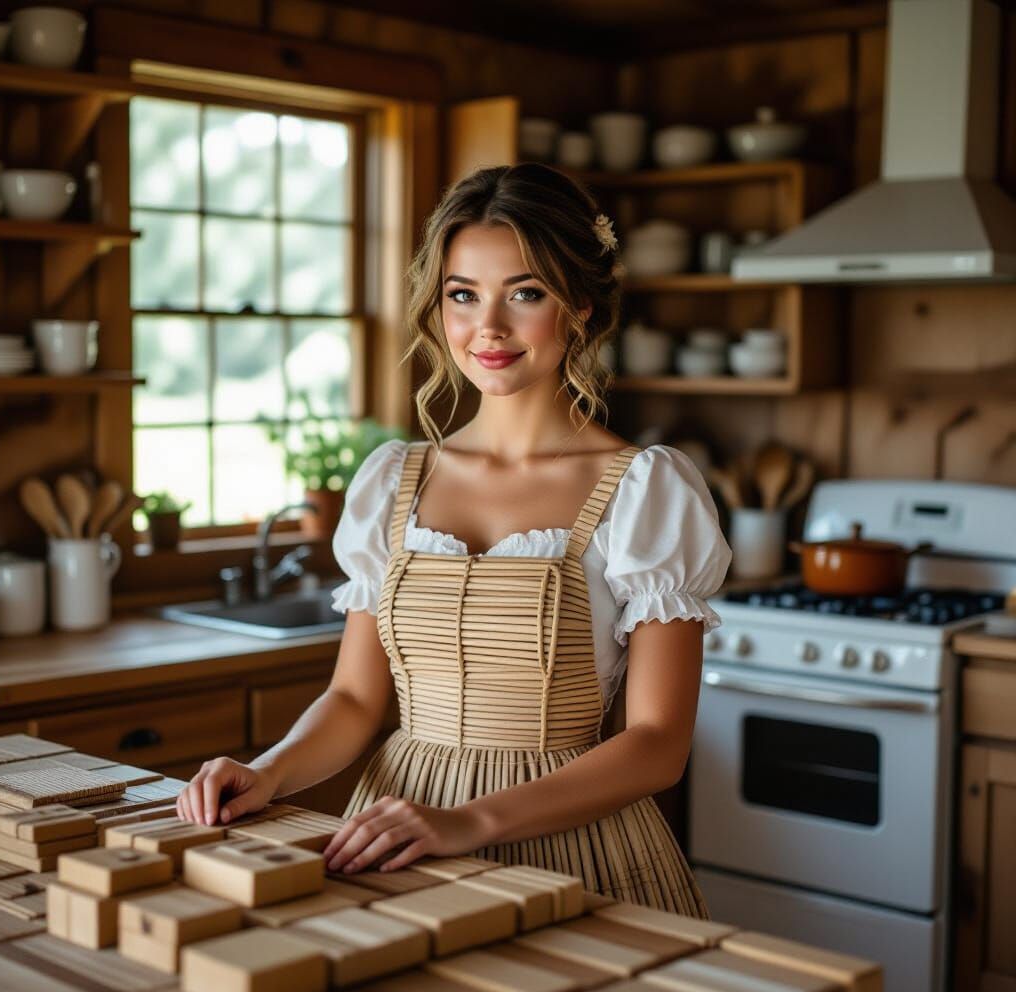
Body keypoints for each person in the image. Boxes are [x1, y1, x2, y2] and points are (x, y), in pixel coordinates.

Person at [176, 162, 731, 915]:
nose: (488, 329)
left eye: (525, 294)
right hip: (399, 832)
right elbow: (352, 698)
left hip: (572, 847)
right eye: (462, 295)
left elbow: (659, 743)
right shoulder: (390, 482)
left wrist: (467, 822)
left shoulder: (646, 490)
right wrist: (269, 771)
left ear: (583, 308)